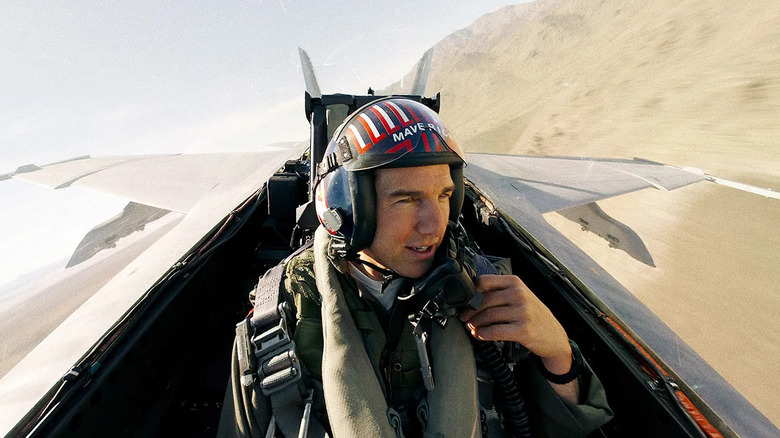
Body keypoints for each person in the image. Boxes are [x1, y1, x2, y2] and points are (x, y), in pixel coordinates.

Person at [218, 97, 613, 437]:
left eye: (443, 195)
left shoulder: (489, 288)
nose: (435, 224)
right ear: (349, 209)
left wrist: (557, 353)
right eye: (406, 200)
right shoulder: (279, 321)